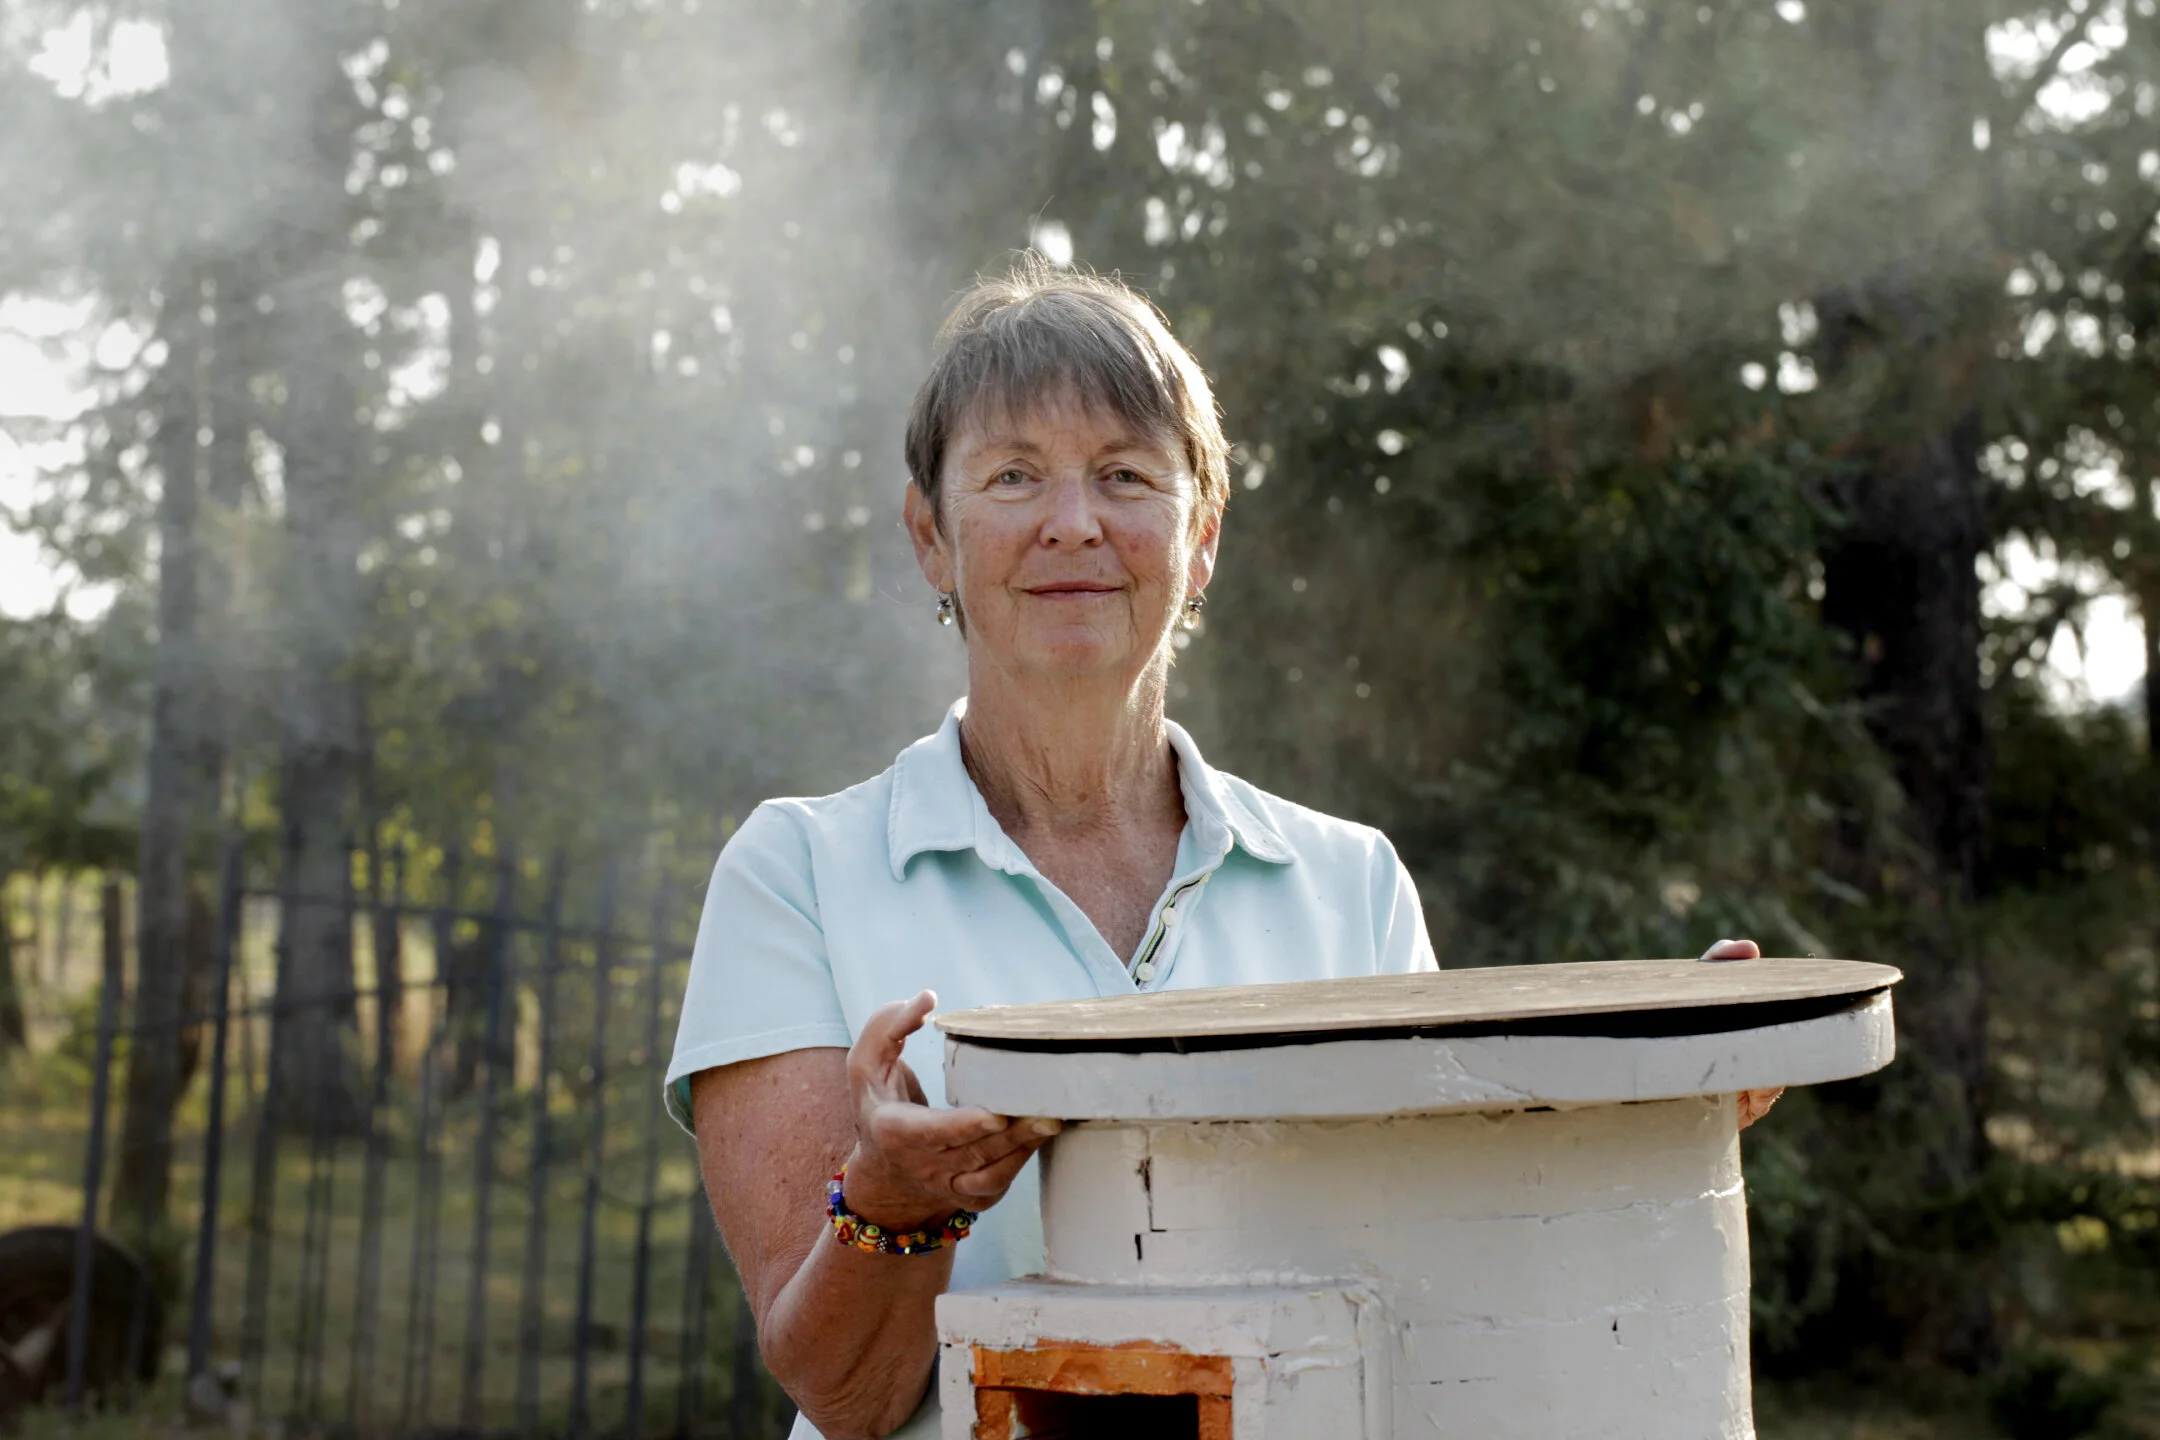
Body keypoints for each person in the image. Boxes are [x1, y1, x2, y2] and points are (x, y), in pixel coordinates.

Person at [663, 258, 1776, 1440]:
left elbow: (1441, 1283)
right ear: (932, 537)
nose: (1073, 521)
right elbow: (846, 1394)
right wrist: (893, 1207)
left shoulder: (1351, 885)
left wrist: (1641, 1110)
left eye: (1126, 475)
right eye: (1013, 475)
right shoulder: (797, 875)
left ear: (1200, 539)